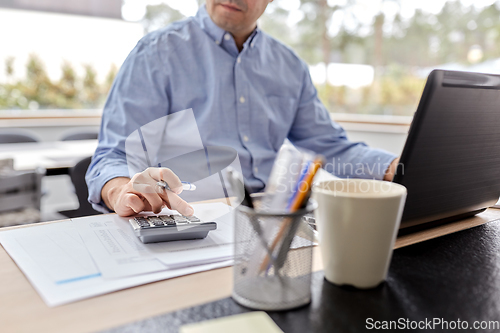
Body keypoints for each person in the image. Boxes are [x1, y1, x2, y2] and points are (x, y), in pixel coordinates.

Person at [86, 0, 399, 217]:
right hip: (191, 213)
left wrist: (397, 166)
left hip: (274, 214)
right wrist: (120, 192)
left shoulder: (289, 67)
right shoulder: (155, 54)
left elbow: (331, 147)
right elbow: (111, 158)